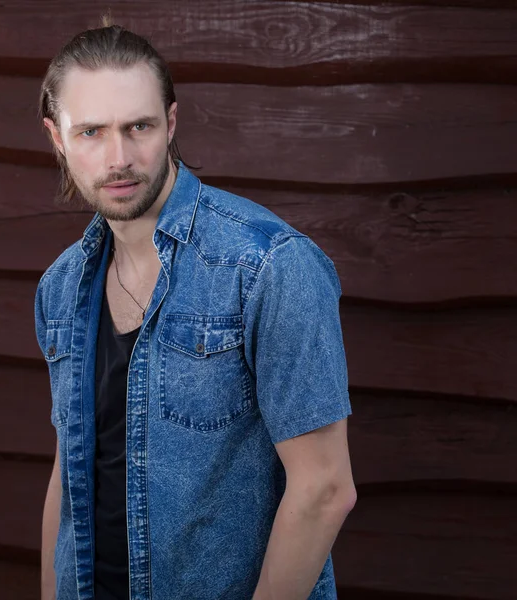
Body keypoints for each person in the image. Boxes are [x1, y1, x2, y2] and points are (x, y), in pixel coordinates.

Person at [34, 17, 356, 600]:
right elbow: (69, 471)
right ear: (57, 137)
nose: (119, 157)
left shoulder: (268, 266)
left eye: (139, 127)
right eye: (91, 133)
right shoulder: (60, 287)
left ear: (171, 123)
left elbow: (325, 488)